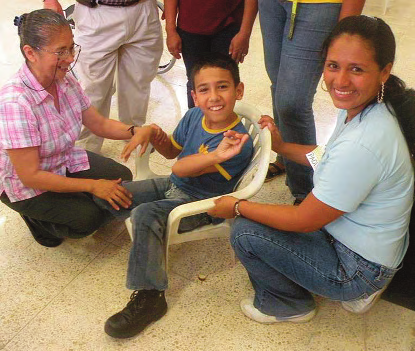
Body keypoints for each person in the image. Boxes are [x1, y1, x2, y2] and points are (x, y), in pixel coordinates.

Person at [208, 16, 415, 323]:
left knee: (244, 232)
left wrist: (238, 206)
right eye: (333, 66)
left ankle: (286, 304)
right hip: (365, 244)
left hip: (358, 269)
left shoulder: (364, 143)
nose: (340, 81)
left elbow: (303, 220)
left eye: (356, 69)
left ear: (384, 71)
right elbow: (327, 157)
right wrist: (282, 147)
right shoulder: (368, 109)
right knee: (266, 217)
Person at [95, 53, 254, 338]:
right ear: (194, 95)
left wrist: (216, 155)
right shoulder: (195, 115)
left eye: (223, 87)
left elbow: (182, 167)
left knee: (144, 213)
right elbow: (173, 151)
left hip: (199, 203)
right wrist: (153, 132)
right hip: (173, 184)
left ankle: (151, 297)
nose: (213, 97)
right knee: (106, 192)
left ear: (238, 90)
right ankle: (147, 235)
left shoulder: (236, 142)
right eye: (204, 89)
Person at [0, 9, 159, 248]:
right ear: (30, 53)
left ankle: (71, 199)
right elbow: (30, 175)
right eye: (60, 51)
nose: (70, 58)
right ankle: (37, 221)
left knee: (121, 178)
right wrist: (93, 186)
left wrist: (136, 131)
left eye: (72, 48)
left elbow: (99, 124)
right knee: (88, 219)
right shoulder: (15, 103)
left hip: (59, 160)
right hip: (26, 182)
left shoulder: (64, 80)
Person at [260, 0, 365, 205]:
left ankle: (306, 189)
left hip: (319, 6)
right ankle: (286, 158)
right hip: (270, 4)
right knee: (279, 85)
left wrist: (345, 31)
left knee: (293, 102)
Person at [44, 0, 163, 153]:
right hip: (96, 12)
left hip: (144, 9)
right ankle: (87, 149)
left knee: (138, 84)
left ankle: (135, 133)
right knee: (94, 90)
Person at [164, 0, 258, 108]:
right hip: (190, 25)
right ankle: (196, 122)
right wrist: (170, 30)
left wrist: (245, 33)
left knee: (225, 80)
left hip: (229, 25)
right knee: (195, 80)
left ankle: (222, 121)